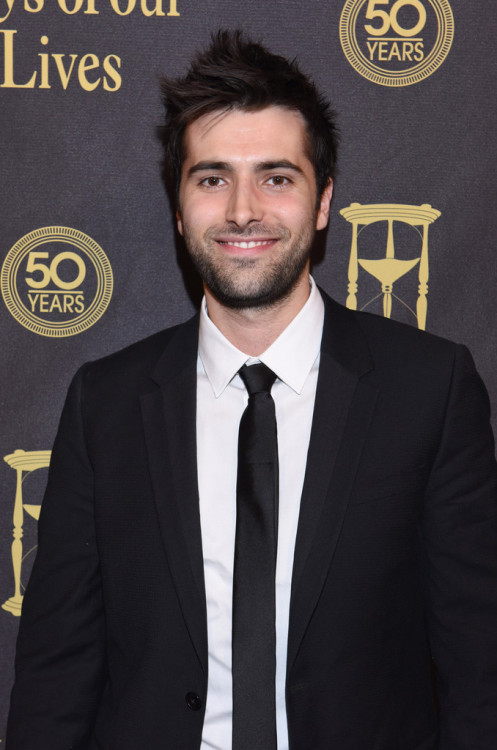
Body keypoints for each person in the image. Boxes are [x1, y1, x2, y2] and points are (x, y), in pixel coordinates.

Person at [6, 29, 497, 750]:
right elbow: (56, 675)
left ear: (322, 201)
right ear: (178, 209)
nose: (242, 210)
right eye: (211, 178)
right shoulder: (104, 404)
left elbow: (476, 664)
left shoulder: (429, 389)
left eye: (275, 176)